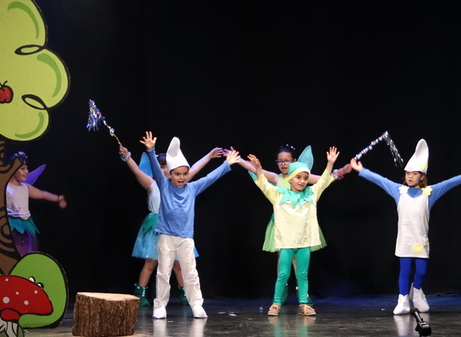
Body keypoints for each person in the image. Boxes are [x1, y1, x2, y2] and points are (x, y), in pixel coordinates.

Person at [350, 139, 461, 314]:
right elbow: (380, 180)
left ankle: (417, 293)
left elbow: (449, 183)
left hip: (420, 240)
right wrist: (361, 170)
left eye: (414, 173)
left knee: (421, 271)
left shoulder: (430, 193)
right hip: (405, 240)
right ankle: (403, 300)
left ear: (422, 176)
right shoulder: (399, 191)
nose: (410, 176)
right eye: (407, 173)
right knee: (405, 271)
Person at [142, 132, 240, 319]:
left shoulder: (192, 188)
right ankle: (160, 305)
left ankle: (196, 304)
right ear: (169, 174)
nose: (181, 177)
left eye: (185, 174)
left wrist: (227, 164)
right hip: (166, 236)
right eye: (177, 174)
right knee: (163, 271)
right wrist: (151, 150)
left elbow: (211, 177)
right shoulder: (164, 185)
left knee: (190, 272)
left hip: (186, 237)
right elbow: (155, 169)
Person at [118, 145, 224, 308]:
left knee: (178, 264)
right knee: (151, 262)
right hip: (157, 227)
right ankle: (141, 293)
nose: (165, 170)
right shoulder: (153, 183)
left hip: (176, 229)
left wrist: (209, 156)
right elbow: (137, 172)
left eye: (167, 166)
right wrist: (127, 157)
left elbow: (193, 168)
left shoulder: (180, 184)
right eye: (161, 167)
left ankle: (184, 292)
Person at [248, 146, 340, 316]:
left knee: (302, 274)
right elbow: (262, 184)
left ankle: (304, 304)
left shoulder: (311, 194)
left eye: (305, 178)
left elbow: (324, 181)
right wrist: (258, 168)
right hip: (287, 243)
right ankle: (276, 304)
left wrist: (330, 164)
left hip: (304, 242)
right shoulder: (279, 195)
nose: (302, 181)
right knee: (282, 274)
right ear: (290, 179)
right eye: (299, 177)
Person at [5, 152, 67, 256]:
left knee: (26, 253)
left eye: (26, 168)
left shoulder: (25, 187)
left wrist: (58, 198)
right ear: (12, 169)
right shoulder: (5, 187)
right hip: (11, 226)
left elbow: (42, 194)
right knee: (12, 253)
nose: (27, 172)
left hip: (26, 226)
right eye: (23, 169)